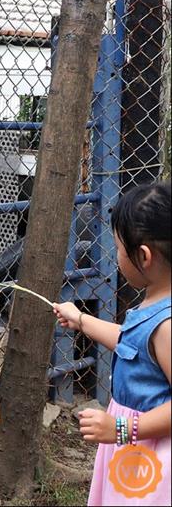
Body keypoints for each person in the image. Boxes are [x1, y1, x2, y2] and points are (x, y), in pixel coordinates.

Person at [53, 181, 170, 506]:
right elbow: (132, 344)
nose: (117, 256)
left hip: (151, 455)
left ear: (143, 256)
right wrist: (80, 320)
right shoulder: (155, 305)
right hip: (137, 444)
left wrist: (122, 429)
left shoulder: (168, 325)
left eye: (119, 248)